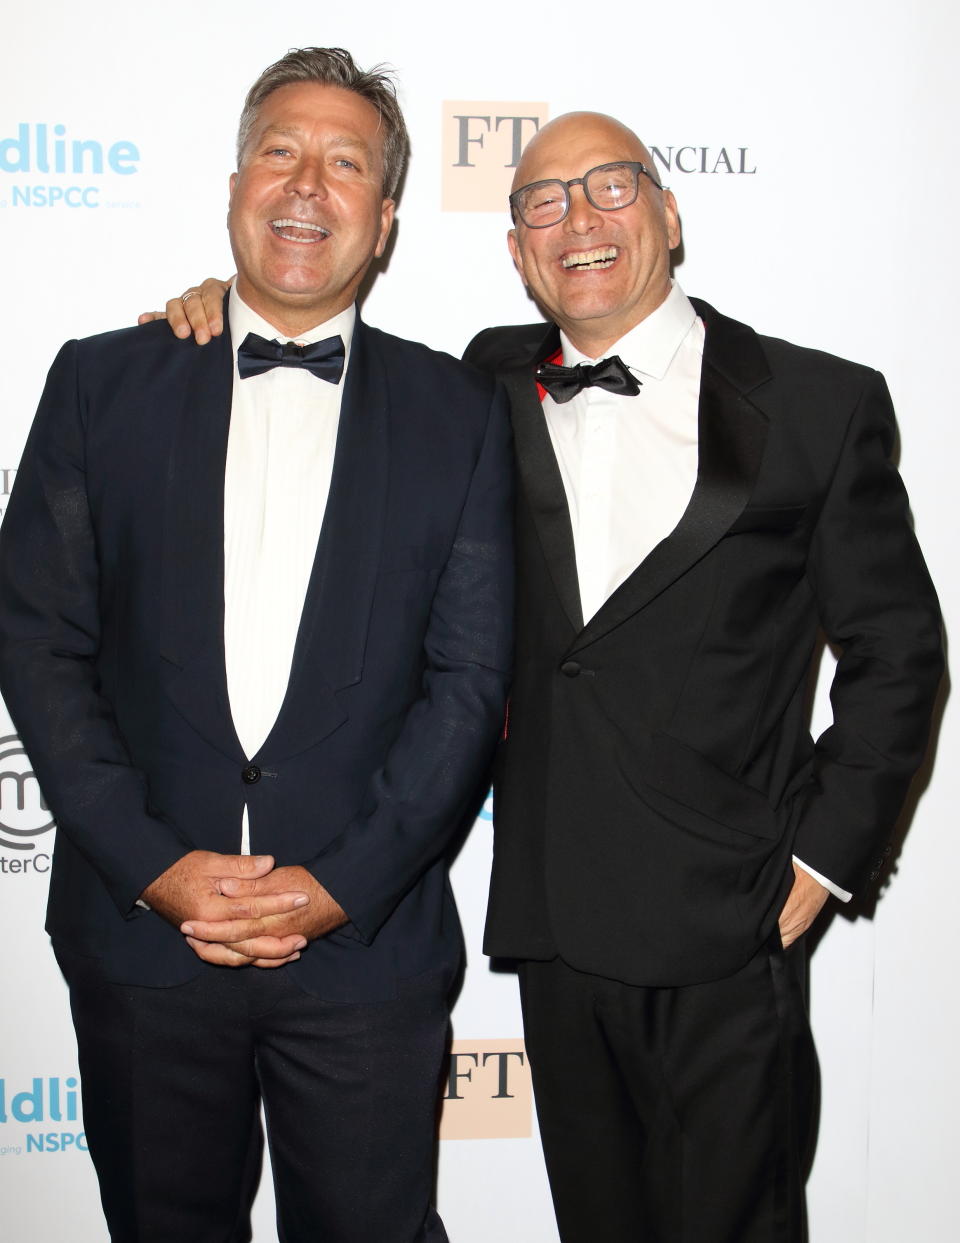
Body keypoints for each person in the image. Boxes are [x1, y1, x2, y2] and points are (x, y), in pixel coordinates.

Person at [152, 111, 943, 1243]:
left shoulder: (819, 405)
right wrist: (205, 312)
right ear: (519, 253)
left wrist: (826, 852)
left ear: (670, 216)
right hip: (558, 922)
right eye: (543, 202)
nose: (580, 221)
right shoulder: (478, 386)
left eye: (612, 188)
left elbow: (899, 653)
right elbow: (310, 362)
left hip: (731, 920)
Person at [0, 48, 513, 1243]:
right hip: (144, 948)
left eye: (345, 165)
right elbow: (39, 644)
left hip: (367, 957)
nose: (306, 186)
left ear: (385, 221)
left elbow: (470, 681)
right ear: (235, 182)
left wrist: (338, 887)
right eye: (281, 150)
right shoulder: (98, 384)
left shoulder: (460, 415)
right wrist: (153, 862)